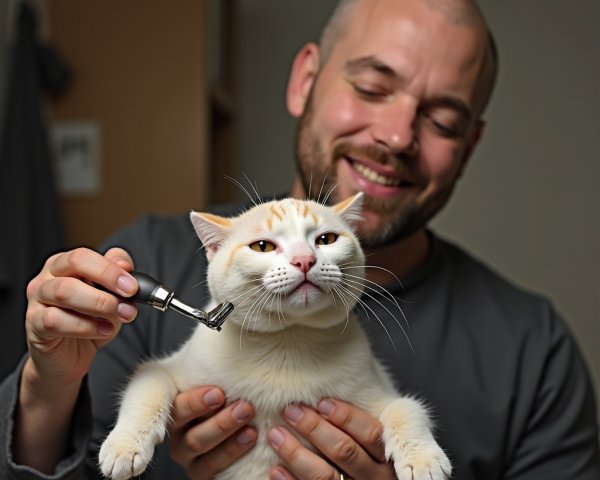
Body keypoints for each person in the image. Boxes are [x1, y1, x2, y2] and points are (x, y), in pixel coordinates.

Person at [1, 0, 599, 478]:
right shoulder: (148, 259)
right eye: (370, 88)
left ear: (469, 149)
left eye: (442, 121)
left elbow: (397, 415)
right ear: (304, 79)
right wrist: (45, 385)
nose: (396, 137)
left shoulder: (535, 352)